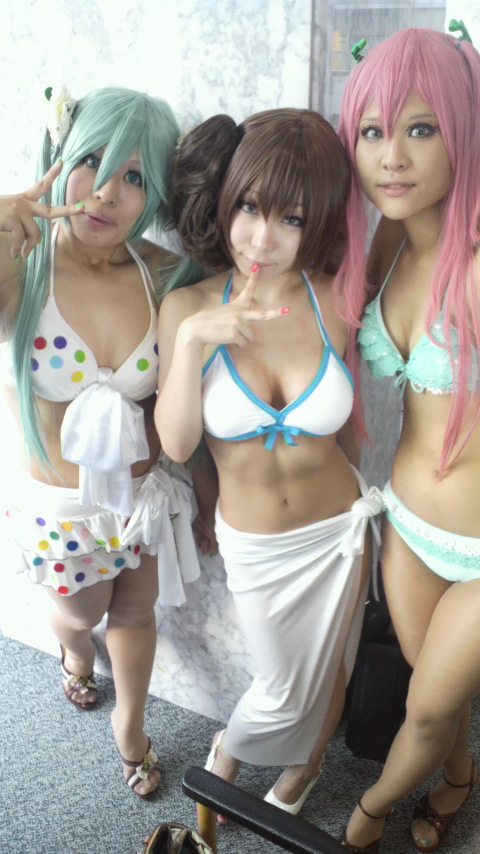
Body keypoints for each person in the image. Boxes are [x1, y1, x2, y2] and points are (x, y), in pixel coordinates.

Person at [155, 108, 383, 816]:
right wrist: (193, 342)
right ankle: (229, 747)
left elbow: (347, 431)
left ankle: (302, 772)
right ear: (228, 198)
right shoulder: (188, 307)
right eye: (250, 207)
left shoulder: (337, 299)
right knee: (282, 683)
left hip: (342, 528)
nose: (262, 237)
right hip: (256, 544)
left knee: (334, 665)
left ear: (318, 223)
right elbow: (177, 444)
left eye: (291, 218)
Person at [0, 85, 202, 798]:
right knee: (81, 615)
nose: (105, 192)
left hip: (141, 498)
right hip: (62, 512)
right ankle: (74, 651)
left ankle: (131, 726)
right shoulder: (23, 267)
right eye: (90, 161)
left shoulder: (163, 272)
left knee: (137, 611)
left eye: (134, 176)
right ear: (59, 157)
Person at [337, 27, 480, 852]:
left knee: (424, 711)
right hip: (409, 523)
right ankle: (458, 776)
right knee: (433, 690)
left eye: (421, 129)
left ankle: (365, 818)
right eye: (373, 131)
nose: (391, 156)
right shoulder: (389, 240)